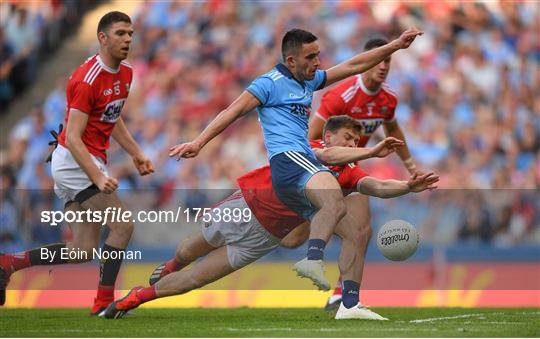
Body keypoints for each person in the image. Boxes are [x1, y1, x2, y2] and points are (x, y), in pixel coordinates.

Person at [102, 116, 438, 320]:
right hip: (248, 205)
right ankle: (171, 264)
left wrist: (408, 186)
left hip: (266, 237)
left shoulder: (348, 172)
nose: (353, 144)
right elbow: (327, 154)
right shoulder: (311, 146)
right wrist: (368, 150)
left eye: (357, 140)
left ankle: (134, 297)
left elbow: (377, 186)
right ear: (331, 135)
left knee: (198, 279)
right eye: (348, 138)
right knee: (192, 249)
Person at [169, 27, 423, 290]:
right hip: (290, 160)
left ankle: (344, 295)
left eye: (318, 55)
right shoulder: (268, 84)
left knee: (308, 235)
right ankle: (314, 261)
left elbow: (353, 65)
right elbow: (231, 111)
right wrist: (199, 142)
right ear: (291, 61)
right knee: (334, 202)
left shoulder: (310, 82)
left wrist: (396, 45)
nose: (317, 62)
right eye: (311, 57)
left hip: (303, 161)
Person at [0, 11, 154, 314]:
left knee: (81, 251)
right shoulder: (86, 79)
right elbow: (72, 137)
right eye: (121, 33)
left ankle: (10, 263)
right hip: (74, 162)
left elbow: (112, 116)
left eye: (130, 34)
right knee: (123, 225)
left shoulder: (126, 73)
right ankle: (103, 303)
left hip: (87, 160)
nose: (127, 39)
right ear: (102, 37)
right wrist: (97, 176)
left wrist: (136, 152)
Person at [306, 37, 424, 310]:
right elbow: (311, 138)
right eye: (378, 60)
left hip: (350, 170)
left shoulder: (388, 99)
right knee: (292, 238)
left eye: (388, 61)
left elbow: (393, 130)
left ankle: (342, 294)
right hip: (321, 170)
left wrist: (411, 166)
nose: (383, 66)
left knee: (362, 231)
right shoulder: (340, 96)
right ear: (365, 62)